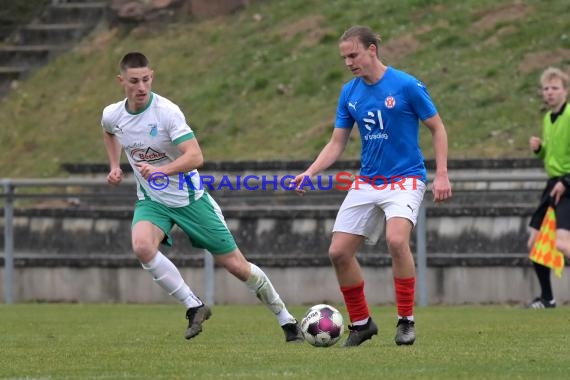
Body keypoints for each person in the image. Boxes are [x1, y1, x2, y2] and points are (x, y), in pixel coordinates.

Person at [101, 52, 303, 342]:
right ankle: (194, 305)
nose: (141, 87)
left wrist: (161, 171)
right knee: (142, 247)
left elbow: (196, 156)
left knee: (238, 267)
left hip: (191, 200)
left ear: (152, 76)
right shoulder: (113, 114)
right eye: (134, 81)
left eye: (146, 79)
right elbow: (109, 132)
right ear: (122, 81)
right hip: (153, 201)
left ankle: (286, 319)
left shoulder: (167, 112)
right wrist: (114, 166)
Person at [292, 25, 452, 347]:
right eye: (344, 57)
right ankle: (362, 323)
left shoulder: (406, 85)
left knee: (396, 241)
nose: (349, 62)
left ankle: (406, 321)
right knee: (338, 252)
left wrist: (443, 173)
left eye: (353, 55)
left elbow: (437, 128)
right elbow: (337, 143)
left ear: (372, 50)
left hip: (406, 178)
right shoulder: (349, 93)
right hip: (368, 181)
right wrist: (310, 171)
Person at [527, 67, 570, 309]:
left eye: (555, 88)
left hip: (567, 185)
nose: (550, 93)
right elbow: (551, 157)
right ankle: (548, 298)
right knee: (533, 244)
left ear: (565, 91)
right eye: (546, 88)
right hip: (553, 185)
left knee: (563, 244)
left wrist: (566, 182)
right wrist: (539, 150)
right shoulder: (548, 118)